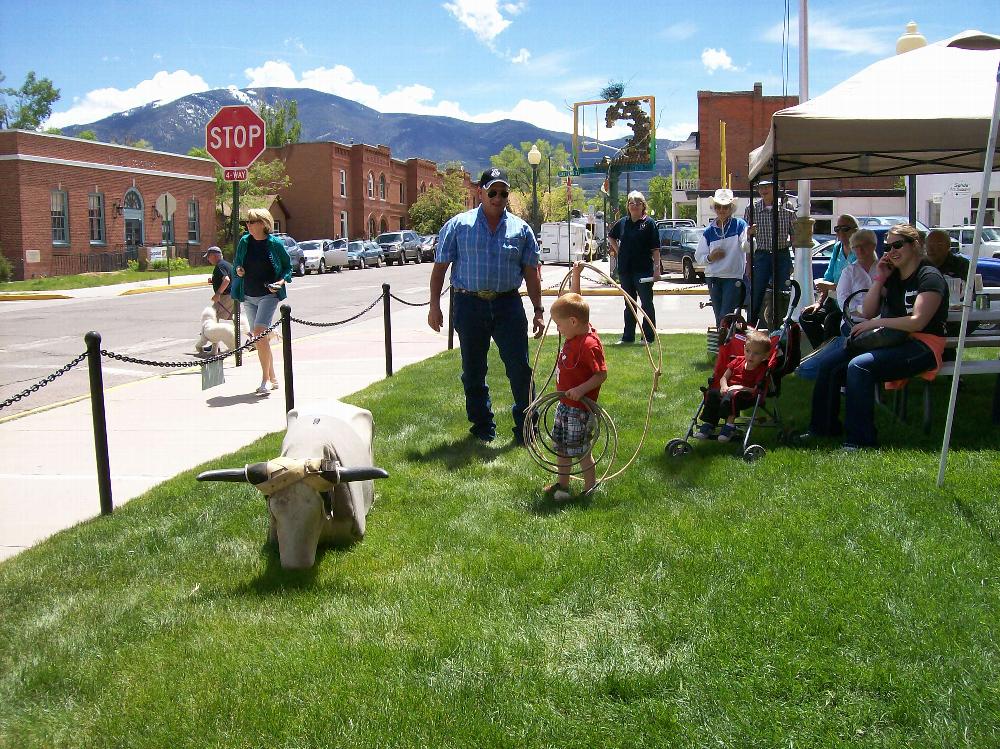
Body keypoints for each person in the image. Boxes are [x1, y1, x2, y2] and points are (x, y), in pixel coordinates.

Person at [802, 224, 949, 450]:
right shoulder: (893, 276)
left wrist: (877, 323)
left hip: (923, 345)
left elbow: (918, 321)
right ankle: (822, 429)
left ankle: (860, 441)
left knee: (859, 366)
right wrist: (880, 278)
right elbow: (868, 311)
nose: (892, 251)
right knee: (830, 364)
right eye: (888, 246)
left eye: (898, 245)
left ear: (915, 245)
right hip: (893, 339)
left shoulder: (928, 276)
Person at [428, 167, 544, 444]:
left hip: (508, 305)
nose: (498, 197)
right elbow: (440, 268)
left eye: (503, 193)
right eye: (492, 191)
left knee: (520, 368)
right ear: (480, 192)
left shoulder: (521, 229)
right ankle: (482, 428)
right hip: (469, 304)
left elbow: (531, 273)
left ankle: (526, 427)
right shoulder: (458, 226)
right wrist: (434, 306)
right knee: (473, 370)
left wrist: (539, 312)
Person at [544, 262, 608, 500]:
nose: (558, 330)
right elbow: (576, 301)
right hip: (565, 404)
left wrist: (580, 390)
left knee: (581, 451)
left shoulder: (589, 344)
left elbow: (601, 374)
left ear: (572, 322)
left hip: (580, 409)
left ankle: (589, 488)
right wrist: (577, 276)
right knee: (562, 446)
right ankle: (563, 485)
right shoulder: (575, 329)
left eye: (559, 326)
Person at [796, 229, 880, 379]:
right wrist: (865, 311)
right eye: (856, 246)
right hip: (853, 321)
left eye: (864, 245)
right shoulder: (850, 271)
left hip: (880, 321)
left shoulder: (883, 269)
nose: (859, 250)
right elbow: (844, 304)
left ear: (873, 246)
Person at [230, 208, 292, 396]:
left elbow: (287, 268)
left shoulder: (275, 244)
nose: (248, 225)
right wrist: (239, 270)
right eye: (247, 222)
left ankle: (264, 380)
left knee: (258, 333)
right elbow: (237, 264)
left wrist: (281, 282)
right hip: (248, 295)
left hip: (268, 295)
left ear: (263, 224)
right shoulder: (244, 242)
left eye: (251, 222)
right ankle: (272, 376)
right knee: (261, 339)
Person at [694, 328, 771, 443]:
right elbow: (724, 377)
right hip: (728, 391)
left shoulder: (761, 369)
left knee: (732, 396)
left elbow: (756, 389)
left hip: (746, 396)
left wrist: (740, 388)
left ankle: (729, 426)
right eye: (748, 351)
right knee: (712, 394)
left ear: (765, 356)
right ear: (744, 349)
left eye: (756, 353)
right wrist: (724, 386)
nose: (750, 356)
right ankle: (709, 424)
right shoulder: (737, 361)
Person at [798, 215, 859, 348]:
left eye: (845, 229)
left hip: (851, 305)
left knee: (831, 321)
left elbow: (857, 286)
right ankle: (822, 350)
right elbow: (828, 278)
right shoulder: (837, 248)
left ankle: (828, 353)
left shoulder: (860, 251)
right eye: (837, 229)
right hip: (834, 301)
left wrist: (830, 286)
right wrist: (819, 303)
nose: (840, 233)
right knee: (806, 316)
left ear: (856, 230)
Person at [607, 190, 660, 344]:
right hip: (625, 270)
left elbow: (655, 249)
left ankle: (648, 337)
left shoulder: (649, 223)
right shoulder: (623, 222)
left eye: (638, 203)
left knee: (646, 304)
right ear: (628, 206)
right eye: (631, 203)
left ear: (643, 206)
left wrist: (656, 269)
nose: (634, 206)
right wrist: (619, 251)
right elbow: (611, 236)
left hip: (643, 270)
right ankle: (628, 337)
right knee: (629, 304)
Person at [744, 179, 796, 326]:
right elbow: (747, 240)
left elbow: (794, 236)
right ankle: (751, 327)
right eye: (761, 187)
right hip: (761, 254)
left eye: (767, 186)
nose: (764, 190)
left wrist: (795, 260)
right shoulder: (751, 208)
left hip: (782, 253)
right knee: (757, 292)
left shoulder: (787, 207)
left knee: (781, 293)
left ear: (775, 187)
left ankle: (780, 327)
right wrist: (748, 263)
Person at [694, 188, 748, 327]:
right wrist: (711, 257)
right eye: (718, 206)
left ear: (731, 208)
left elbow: (746, 246)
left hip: (732, 276)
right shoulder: (709, 231)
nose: (721, 210)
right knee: (719, 314)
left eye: (725, 207)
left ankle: (727, 343)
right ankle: (724, 345)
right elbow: (699, 257)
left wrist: (750, 237)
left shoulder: (739, 225)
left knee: (726, 314)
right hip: (713, 277)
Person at [204, 246, 233, 321]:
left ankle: (211, 332)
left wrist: (218, 294)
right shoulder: (227, 264)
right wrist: (214, 281)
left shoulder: (220, 265)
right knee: (232, 318)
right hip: (232, 295)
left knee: (212, 315)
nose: (208, 259)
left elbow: (226, 280)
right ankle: (237, 331)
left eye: (208, 257)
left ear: (213, 256)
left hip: (226, 296)